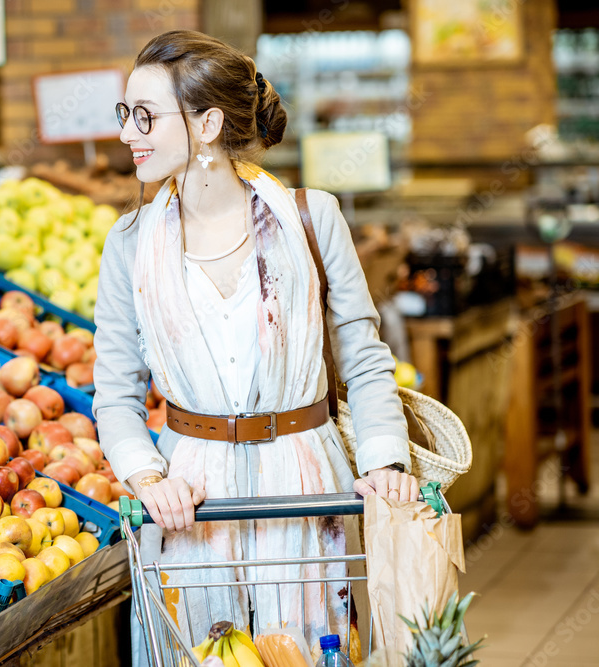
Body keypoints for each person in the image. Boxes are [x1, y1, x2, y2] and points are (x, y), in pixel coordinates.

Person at [91, 30, 418, 663]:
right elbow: (115, 386)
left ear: (208, 124)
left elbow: (362, 350)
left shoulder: (311, 219)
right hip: (192, 499)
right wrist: (146, 475)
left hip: (306, 483)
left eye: (146, 117)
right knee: (205, 649)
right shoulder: (129, 242)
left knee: (312, 646)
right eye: (124, 114)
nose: (128, 133)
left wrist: (383, 461)